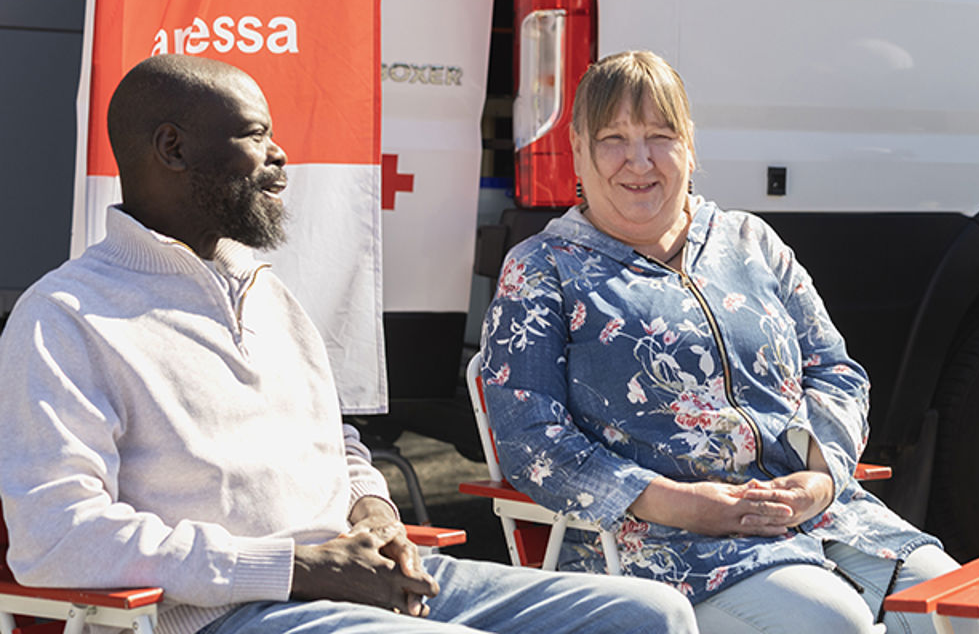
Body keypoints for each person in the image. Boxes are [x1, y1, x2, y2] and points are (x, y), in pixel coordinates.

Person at [0, 54, 696, 634]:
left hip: (357, 580)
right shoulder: (66, 318)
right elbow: (57, 538)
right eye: (255, 135)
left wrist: (375, 514)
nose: (279, 157)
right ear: (173, 148)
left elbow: (339, 446)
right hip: (227, 614)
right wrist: (294, 569)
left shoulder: (267, 291)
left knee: (650, 615)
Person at [479, 51, 979, 634]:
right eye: (614, 138)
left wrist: (820, 479)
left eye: (660, 135)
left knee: (955, 609)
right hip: (653, 541)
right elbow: (530, 437)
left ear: (690, 145)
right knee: (830, 623)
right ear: (579, 149)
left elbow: (835, 371)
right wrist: (680, 503)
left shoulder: (749, 240)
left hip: (819, 516)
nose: (639, 160)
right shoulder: (544, 268)